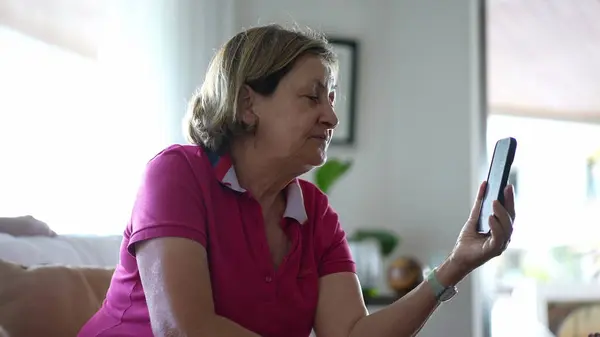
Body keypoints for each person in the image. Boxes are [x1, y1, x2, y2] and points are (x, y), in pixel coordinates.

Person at [78, 24, 515, 337]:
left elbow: (349, 332)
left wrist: (457, 265)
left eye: (331, 98)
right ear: (249, 103)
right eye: (312, 96)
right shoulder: (177, 174)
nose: (331, 116)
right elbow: (184, 328)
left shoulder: (314, 212)